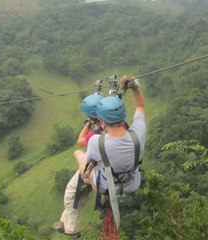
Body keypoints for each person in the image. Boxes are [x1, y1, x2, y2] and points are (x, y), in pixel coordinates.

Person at [75, 75, 146, 227]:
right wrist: (135, 86)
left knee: (79, 155)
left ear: (101, 121)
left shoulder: (96, 142)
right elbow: (140, 107)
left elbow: (89, 163)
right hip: (132, 183)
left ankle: (89, 189)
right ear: (123, 116)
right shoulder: (138, 133)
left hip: (105, 185)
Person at [52, 93, 103, 237]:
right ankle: (64, 220)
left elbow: (80, 140)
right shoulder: (118, 125)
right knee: (79, 192)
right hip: (105, 168)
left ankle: (72, 229)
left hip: (97, 170)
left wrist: (88, 123)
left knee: (71, 192)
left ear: (92, 117)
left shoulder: (96, 135)